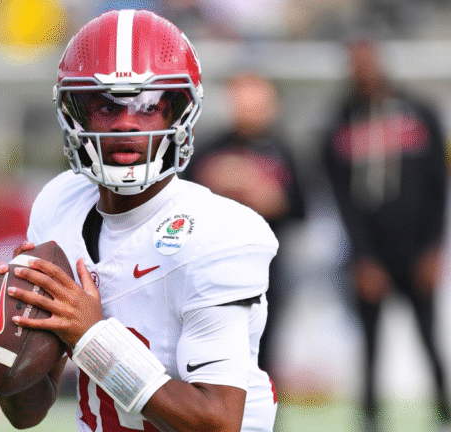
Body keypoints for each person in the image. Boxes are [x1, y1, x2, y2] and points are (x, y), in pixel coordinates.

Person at [0, 9, 278, 431]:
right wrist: (6, 347)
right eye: (105, 106)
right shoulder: (59, 205)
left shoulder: (221, 233)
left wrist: (92, 337)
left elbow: (218, 421)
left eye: (148, 105)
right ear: (75, 113)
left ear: (179, 113)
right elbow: (27, 414)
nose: (126, 123)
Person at [321, 36, 449, 431]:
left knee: (428, 335)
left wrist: (434, 249)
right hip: (369, 254)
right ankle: (370, 416)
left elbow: (438, 185)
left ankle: (444, 410)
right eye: (355, 64)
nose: (364, 72)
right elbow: (340, 199)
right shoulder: (340, 122)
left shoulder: (420, 113)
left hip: (416, 248)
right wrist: (362, 258)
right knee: (370, 339)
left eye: (368, 62)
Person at [182, 71, 306, 384]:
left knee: (263, 352)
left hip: (267, 269)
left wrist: (269, 198)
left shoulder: (282, 149)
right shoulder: (210, 149)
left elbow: (300, 208)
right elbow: (182, 206)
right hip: (214, 268)